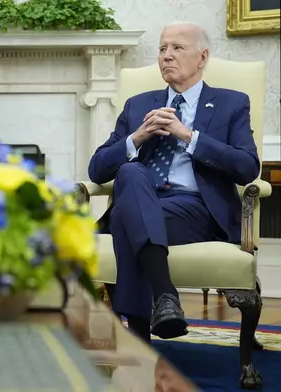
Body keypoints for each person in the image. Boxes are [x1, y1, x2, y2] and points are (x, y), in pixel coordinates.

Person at [88, 22, 259, 343]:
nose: (166, 56)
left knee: (126, 220)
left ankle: (138, 340)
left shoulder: (231, 103)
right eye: (163, 48)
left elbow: (247, 167)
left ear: (202, 57)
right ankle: (165, 297)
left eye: (177, 48)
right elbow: (97, 169)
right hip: (141, 199)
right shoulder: (138, 105)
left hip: (195, 211)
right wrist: (137, 138)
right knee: (130, 173)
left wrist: (188, 136)